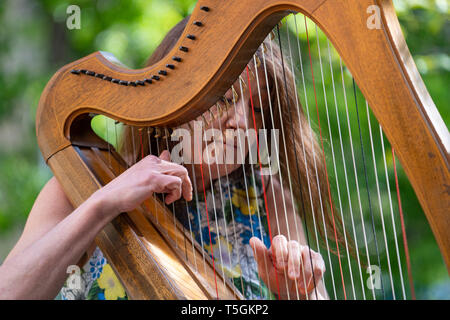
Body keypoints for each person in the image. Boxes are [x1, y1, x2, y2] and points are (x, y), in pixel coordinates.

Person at [0, 16, 347, 300]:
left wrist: (299, 294)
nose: (241, 121)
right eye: (225, 99)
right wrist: (102, 205)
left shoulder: (270, 199)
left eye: (256, 108)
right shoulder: (80, 187)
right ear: (178, 104)